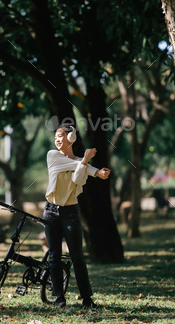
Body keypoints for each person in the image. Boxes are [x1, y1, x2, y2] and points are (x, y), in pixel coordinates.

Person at [43, 124, 111, 309]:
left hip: (70, 211)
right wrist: (92, 167)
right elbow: (78, 166)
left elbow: (78, 177)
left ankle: (87, 298)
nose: (57, 140)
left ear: (71, 138)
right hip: (51, 211)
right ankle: (59, 298)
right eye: (56, 136)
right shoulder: (52, 156)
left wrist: (94, 170)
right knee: (54, 256)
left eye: (61, 136)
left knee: (77, 256)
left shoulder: (81, 162)